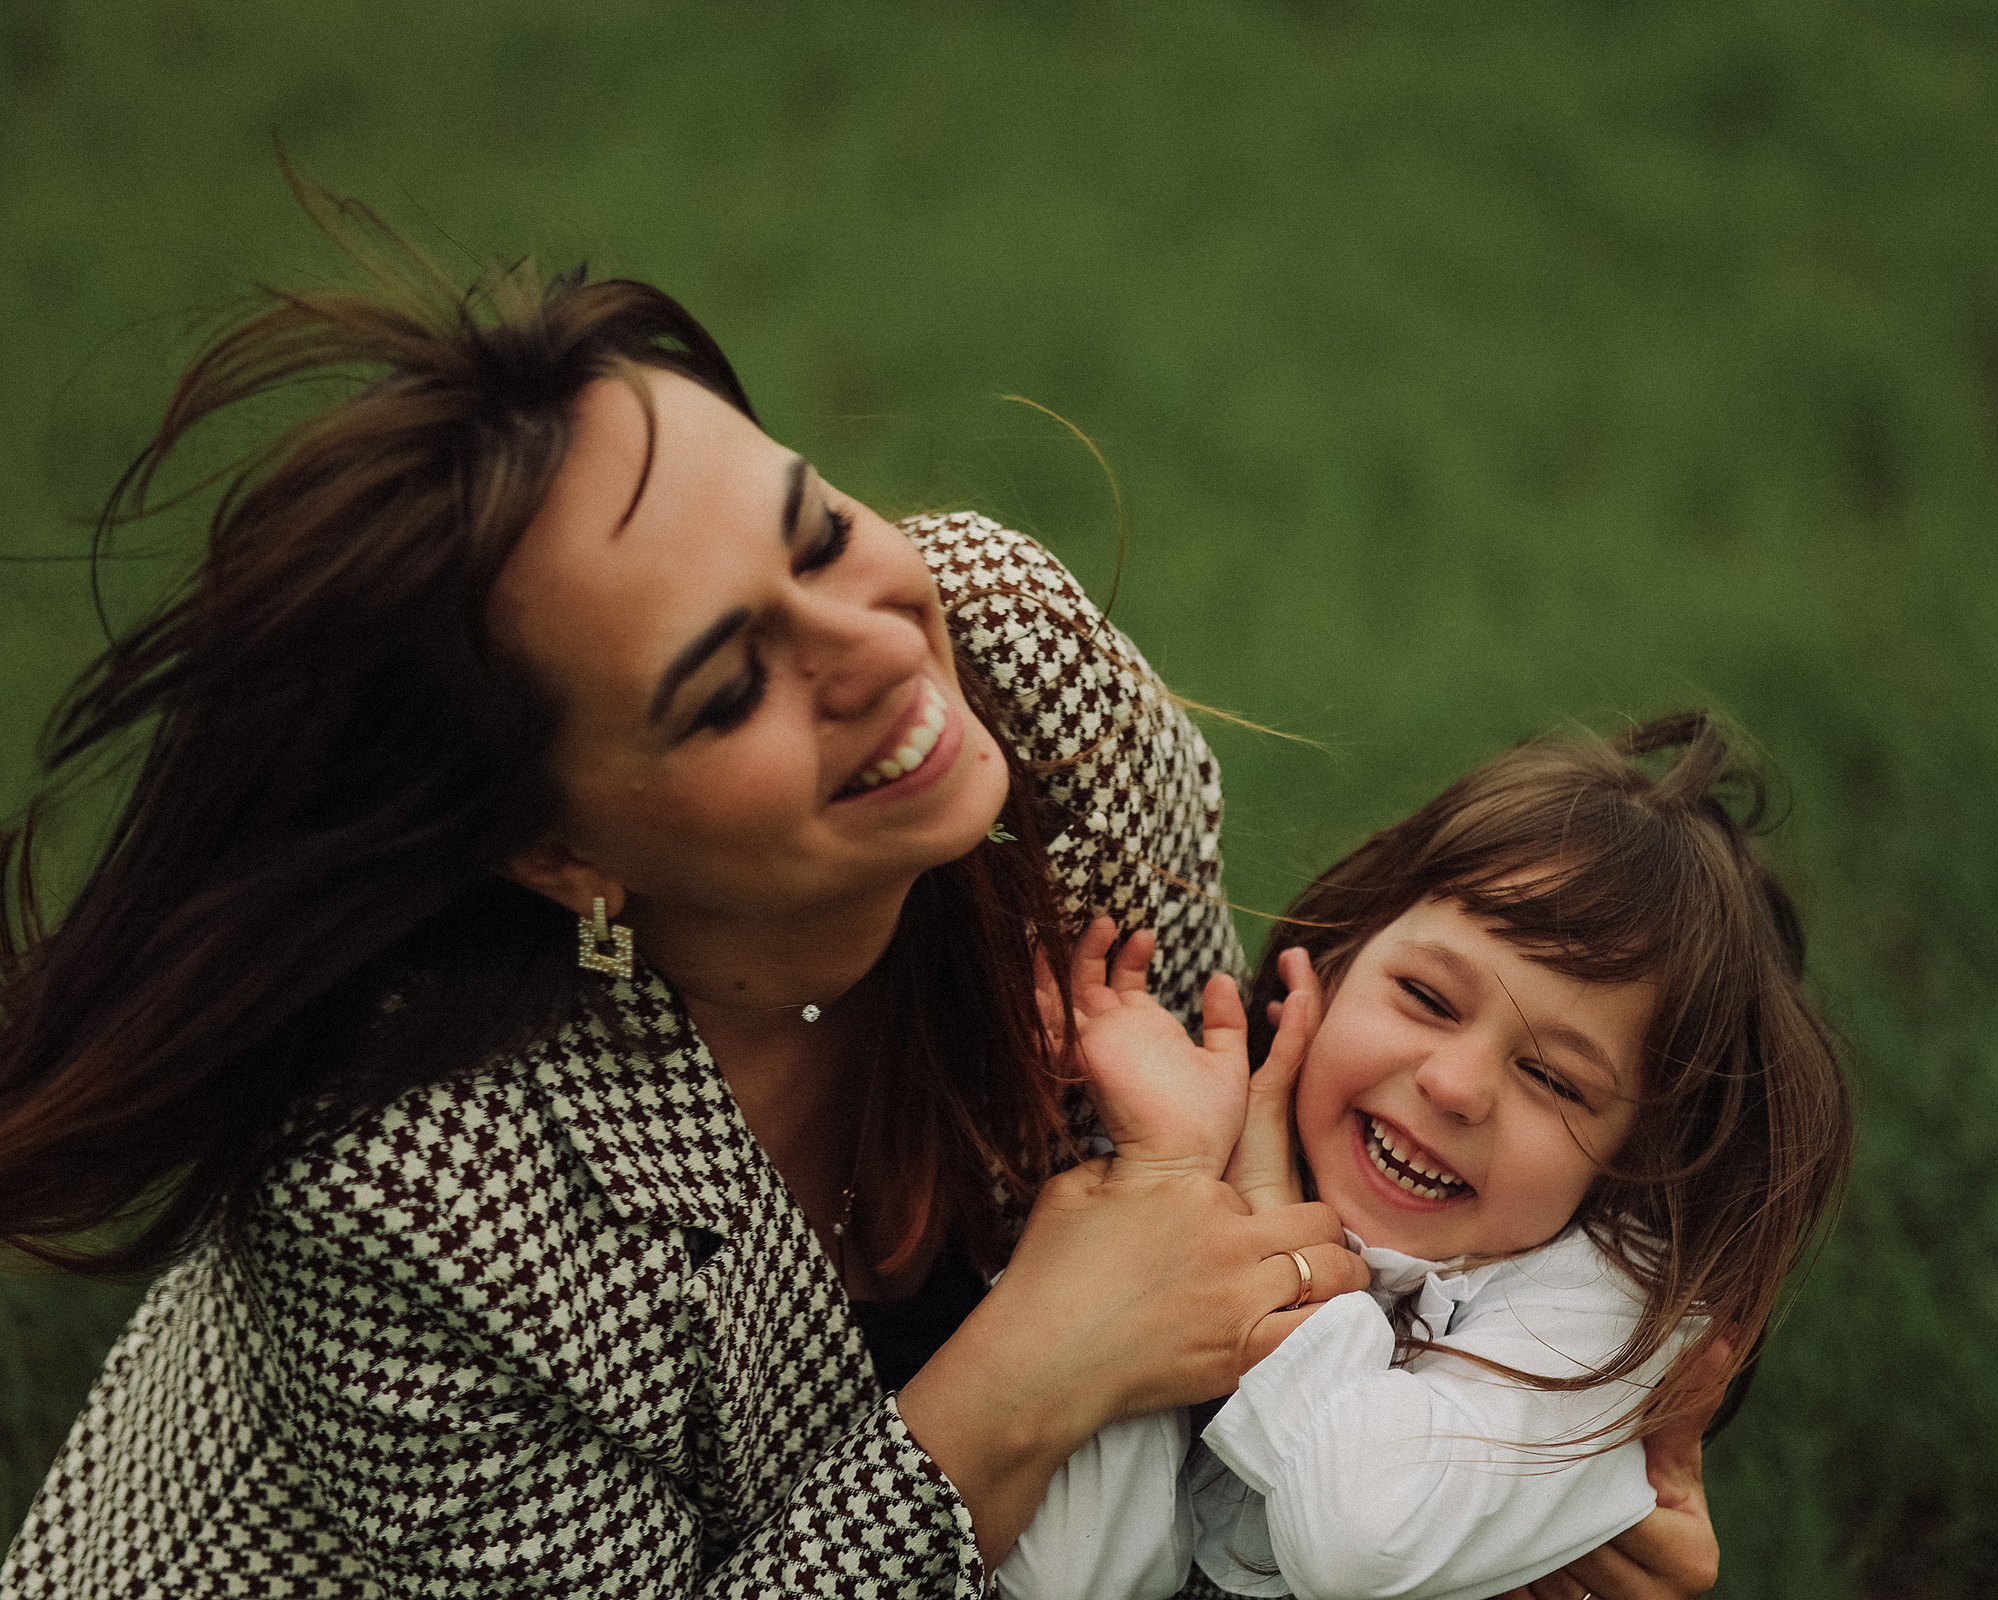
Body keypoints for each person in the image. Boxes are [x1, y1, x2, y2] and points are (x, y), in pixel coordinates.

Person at [0, 183, 1724, 1599]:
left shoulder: (1025, 685)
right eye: (723, 686)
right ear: (561, 849)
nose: (887, 649)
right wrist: (1031, 1370)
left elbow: (1273, 1221)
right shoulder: (403, 1191)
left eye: (818, 536)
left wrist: (1537, 1491)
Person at [1004, 719, 1851, 1600]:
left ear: (1636, 1161)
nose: (1454, 1085)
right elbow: (1061, 1577)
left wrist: (1265, 1223)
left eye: (1554, 1079)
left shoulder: (1609, 1309)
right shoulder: (1202, 1145)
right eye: (1425, 996)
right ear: (1331, 963)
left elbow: (1359, 1541)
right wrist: (1162, 1176)